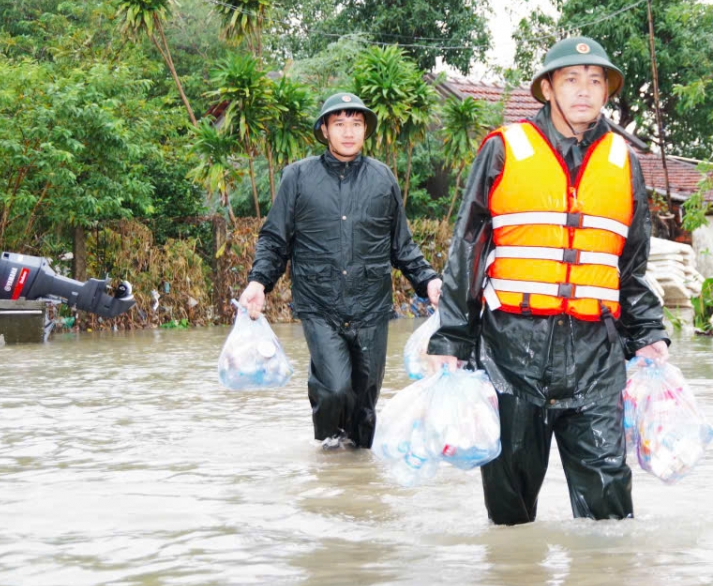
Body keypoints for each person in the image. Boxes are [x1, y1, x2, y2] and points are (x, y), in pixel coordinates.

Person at [427, 36, 669, 525]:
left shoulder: (625, 162)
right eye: (571, 80)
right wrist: (451, 337)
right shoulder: (503, 149)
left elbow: (632, 264)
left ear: (607, 92)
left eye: (595, 81)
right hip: (512, 350)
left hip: (596, 354)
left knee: (609, 507)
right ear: (548, 89)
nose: (585, 91)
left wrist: (648, 335)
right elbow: (469, 248)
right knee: (511, 514)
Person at [239, 92, 442, 450]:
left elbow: (402, 247)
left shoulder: (383, 179)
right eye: (339, 124)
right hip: (320, 306)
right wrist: (258, 282)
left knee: (365, 406)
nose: (349, 132)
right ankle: (329, 457)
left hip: (370, 308)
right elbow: (274, 240)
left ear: (365, 130)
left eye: (357, 124)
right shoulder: (298, 178)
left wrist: (429, 282)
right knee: (334, 389)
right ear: (324, 130)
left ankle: (356, 482)